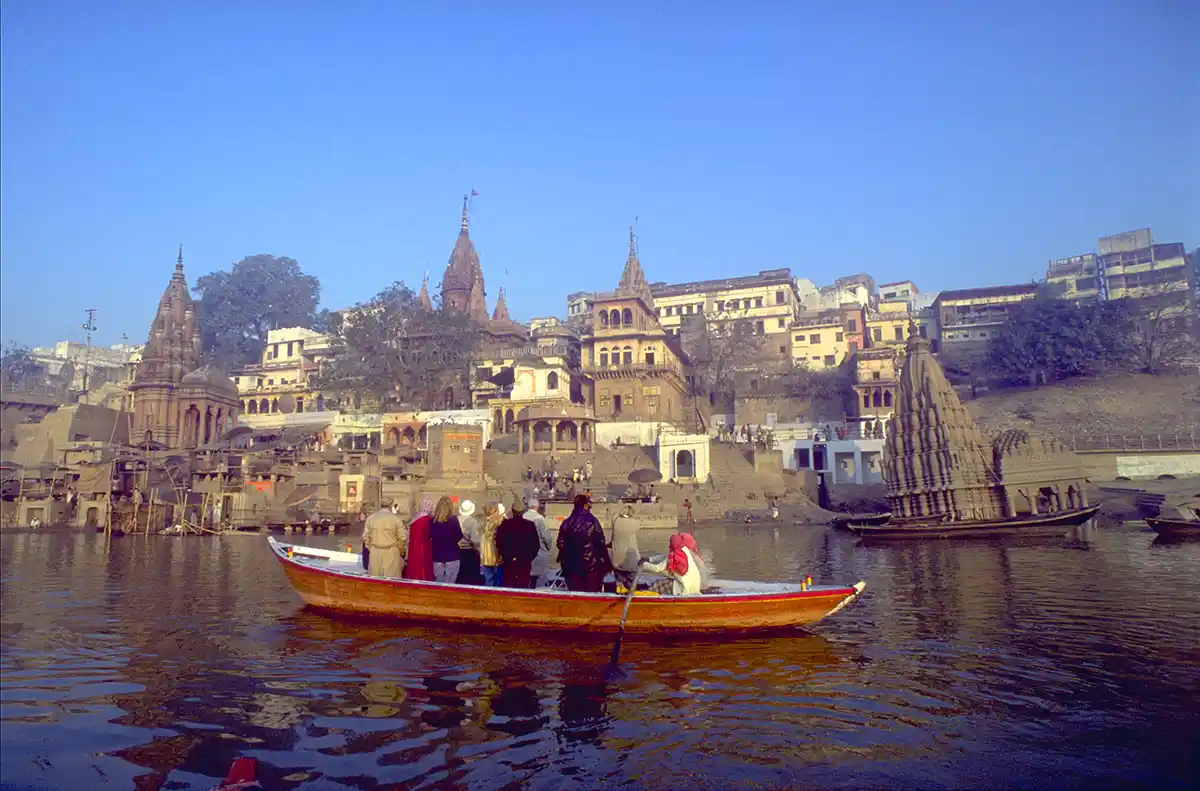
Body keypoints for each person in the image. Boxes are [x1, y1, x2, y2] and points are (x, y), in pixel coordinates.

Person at [556, 494, 612, 592]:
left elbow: (560, 543)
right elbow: (600, 544)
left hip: (571, 567)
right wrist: (607, 564)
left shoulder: (567, 522)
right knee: (591, 597)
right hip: (590, 567)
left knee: (575, 595)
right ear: (586, 505)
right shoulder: (593, 521)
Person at [641, 533, 707, 595]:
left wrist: (642, 565)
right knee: (665, 580)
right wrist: (649, 559)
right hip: (694, 589)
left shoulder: (674, 555)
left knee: (657, 584)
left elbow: (657, 568)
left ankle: (643, 599)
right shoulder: (685, 552)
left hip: (683, 590)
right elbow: (665, 557)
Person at [496, 497, 540, 588]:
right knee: (523, 586)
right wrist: (528, 558)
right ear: (524, 511)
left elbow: (499, 543)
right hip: (525, 561)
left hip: (509, 561)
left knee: (509, 586)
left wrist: (507, 556)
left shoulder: (505, 525)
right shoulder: (529, 525)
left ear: (512, 511)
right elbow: (536, 545)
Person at [364, 501, 407, 578]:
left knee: (374, 581)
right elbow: (402, 538)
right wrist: (400, 551)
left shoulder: (371, 518)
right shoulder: (396, 519)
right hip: (391, 553)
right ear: (390, 505)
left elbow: (366, 537)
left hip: (375, 552)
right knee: (391, 581)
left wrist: (372, 548)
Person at [429, 496, 464, 583]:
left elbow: (430, 535)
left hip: (437, 555)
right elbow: (459, 535)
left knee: (439, 582)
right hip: (452, 554)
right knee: (450, 583)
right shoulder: (453, 520)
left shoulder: (432, 521)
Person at [609, 504, 642, 590]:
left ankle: (618, 595)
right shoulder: (635, 523)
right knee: (631, 585)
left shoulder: (615, 520)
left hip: (616, 559)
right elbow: (639, 520)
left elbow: (614, 513)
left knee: (619, 584)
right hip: (631, 559)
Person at [524, 497, 553, 588]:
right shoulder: (539, 518)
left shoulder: (523, 517)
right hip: (540, 552)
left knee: (527, 580)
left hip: (525, 554)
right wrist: (549, 547)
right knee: (539, 582)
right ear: (536, 506)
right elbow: (546, 536)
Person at [404, 497, 435, 581]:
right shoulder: (429, 519)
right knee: (424, 565)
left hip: (413, 545)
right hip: (425, 546)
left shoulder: (414, 518)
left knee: (414, 564)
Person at [455, 500, 484, 585]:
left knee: (459, 577)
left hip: (457, 551)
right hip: (469, 551)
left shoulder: (455, 519)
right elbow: (475, 540)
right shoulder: (472, 522)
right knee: (470, 578)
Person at [478, 503, 504, 587]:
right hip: (495, 556)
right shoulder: (497, 523)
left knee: (488, 580)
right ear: (494, 511)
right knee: (497, 581)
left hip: (485, 557)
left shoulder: (482, 522)